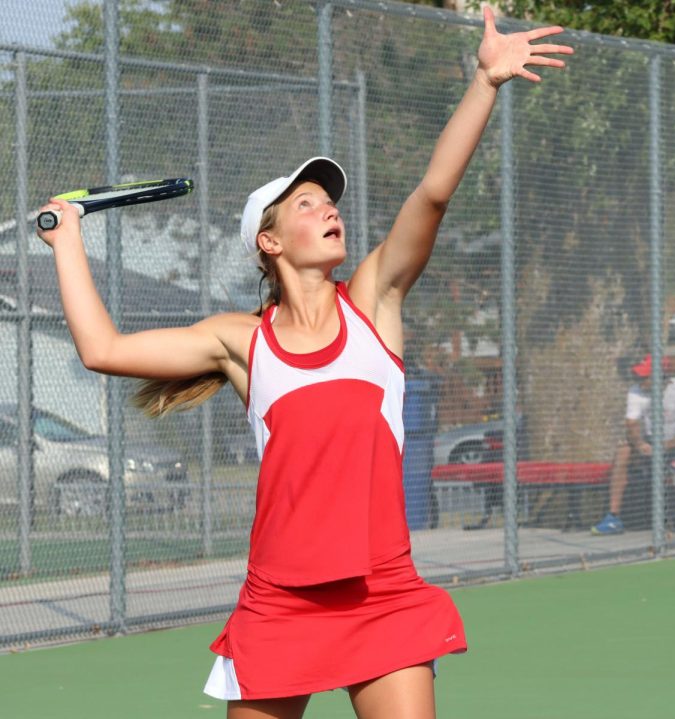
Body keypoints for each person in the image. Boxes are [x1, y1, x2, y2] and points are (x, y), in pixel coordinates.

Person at [36, 8, 571, 719]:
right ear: (270, 241)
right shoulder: (240, 341)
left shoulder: (375, 301)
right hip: (279, 603)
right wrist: (67, 242)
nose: (328, 210)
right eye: (307, 203)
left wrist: (485, 82)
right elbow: (102, 350)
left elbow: (433, 193)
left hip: (382, 592)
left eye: (330, 202)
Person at [591, 354, 675, 536]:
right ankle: (613, 518)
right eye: (638, 376)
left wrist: (664, 446)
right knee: (623, 451)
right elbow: (631, 423)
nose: (640, 381)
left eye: (645, 377)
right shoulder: (636, 391)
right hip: (649, 442)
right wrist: (639, 444)